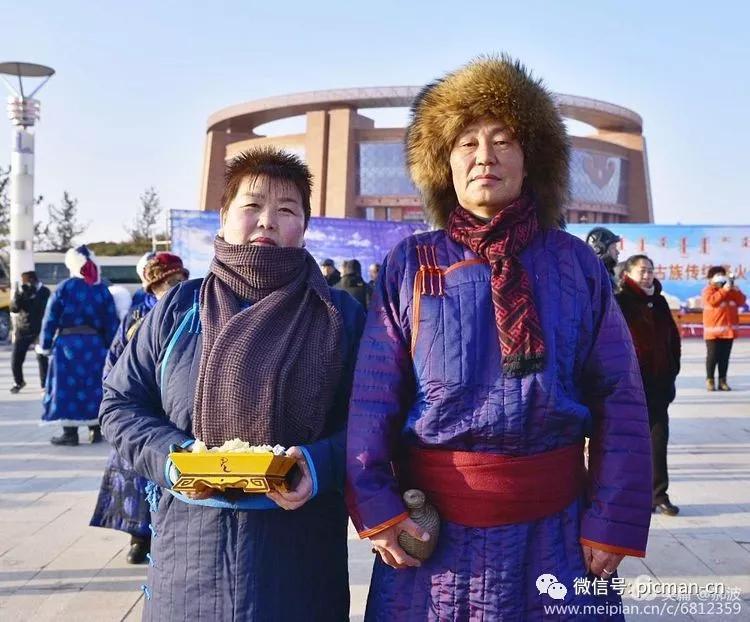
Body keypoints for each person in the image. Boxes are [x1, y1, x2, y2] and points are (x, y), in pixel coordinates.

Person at [345, 56, 652, 620]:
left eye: (503, 140)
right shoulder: (410, 263)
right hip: (435, 544)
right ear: (444, 162)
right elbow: (372, 397)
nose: (484, 156)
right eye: (466, 142)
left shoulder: (576, 265)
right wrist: (378, 506)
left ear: (531, 158)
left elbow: (621, 398)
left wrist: (613, 520)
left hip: (558, 536)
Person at [100, 147, 365, 621]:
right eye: (252, 206)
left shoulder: (340, 318)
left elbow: (374, 422)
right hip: (189, 558)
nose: (267, 221)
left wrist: (317, 462)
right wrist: (174, 459)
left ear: (304, 226)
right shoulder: (180, 310)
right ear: (223, 218)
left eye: (286, 210)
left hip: (298, 562)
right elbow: (120, 404)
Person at [90, 252, 189, 564]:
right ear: (153, 287)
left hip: (177, 414)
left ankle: (172, 539)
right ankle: (138, 538)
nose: (175, 287)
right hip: (142, 415)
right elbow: (114, 367)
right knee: (136, 476)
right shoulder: (134, 318)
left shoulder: (194, 311)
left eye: (179, 281)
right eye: (167, 283)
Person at [616, 255, 681, 516]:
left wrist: (671, 371)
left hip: (658, 387)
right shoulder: (620, 302)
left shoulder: (660, 302)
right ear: (628, 273)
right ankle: (629, 496)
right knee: (627, 442)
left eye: (650, 270)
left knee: (658, 440)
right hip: (629, 386)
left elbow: (673, 340)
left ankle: (659, 495)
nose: (647, 275)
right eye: (642, 270)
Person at [37, 246, 118, 446]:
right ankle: (95, 430)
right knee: (95, 386)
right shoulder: (101, 289)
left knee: (67, 388)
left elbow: (50, 319)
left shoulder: (64, 288)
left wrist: (45, 345)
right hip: (95, 346)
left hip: (67, 347)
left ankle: (70, 433)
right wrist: (112, 347)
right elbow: (111, 321)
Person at [702, 266, 746, 391]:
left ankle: (723, 381)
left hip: (728, 332)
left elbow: (741, 301)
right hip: (713, 332)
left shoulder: (731, 290)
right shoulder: (708, 290)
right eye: (717, 275)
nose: (721, 278)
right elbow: (711, 301)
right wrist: (723, 291)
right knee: (712, 357)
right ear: (711, 279)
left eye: (722, 275)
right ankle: (710, 380)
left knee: (724, 358)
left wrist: (734, 289)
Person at [9, 271, 50, 393]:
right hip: (23, 329)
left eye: (26, 281)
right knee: (16, 358)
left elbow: (41, 308)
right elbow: (14, 309)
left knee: (42, 358)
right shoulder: (22, 292)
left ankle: (45, 384)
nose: (25, 284)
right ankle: (19, 382)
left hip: (39, 330)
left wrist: (32, 295)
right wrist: (19, 295)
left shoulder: (44, 291)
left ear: (33, 280)